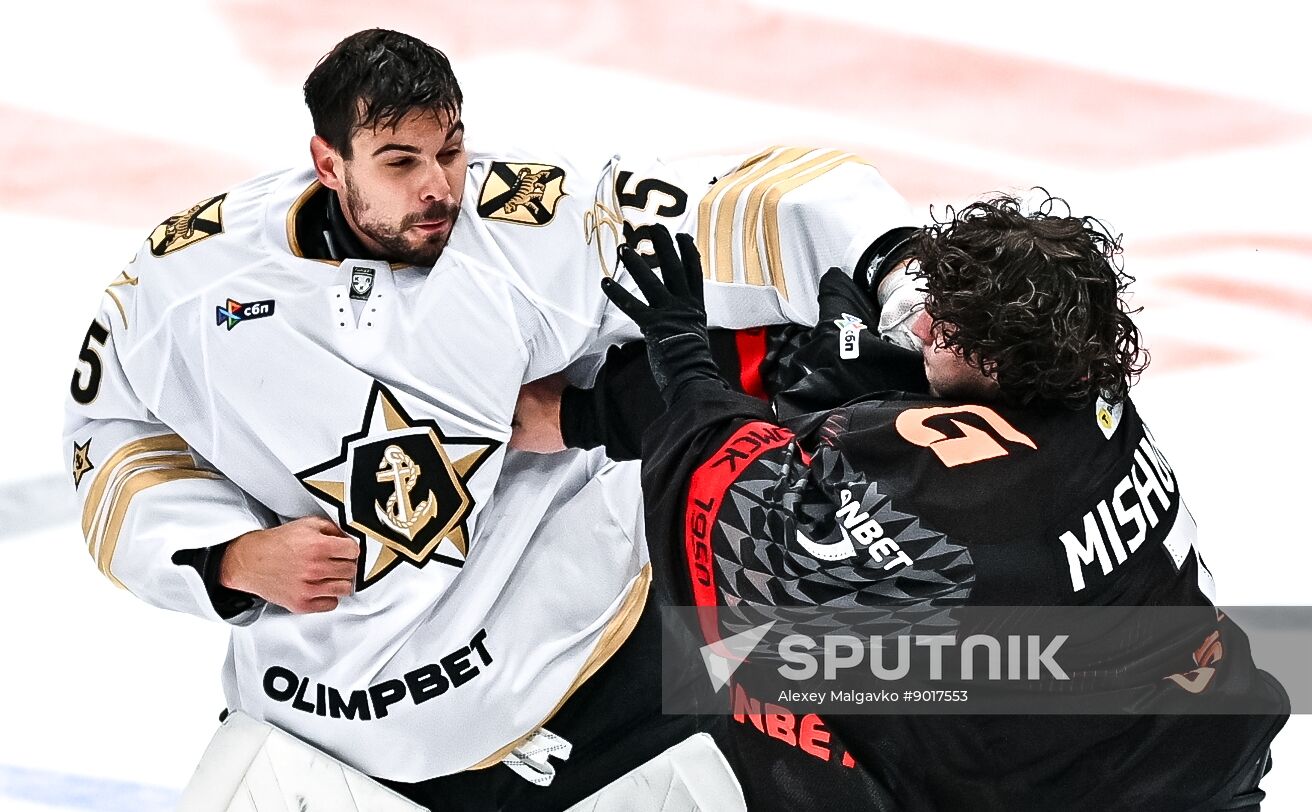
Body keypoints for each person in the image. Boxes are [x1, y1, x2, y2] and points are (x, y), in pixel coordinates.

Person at [62, 27, 922, 808]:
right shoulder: (188, 281)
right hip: (330, 736)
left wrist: (899, 263)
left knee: (964, 690)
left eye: (451, 150)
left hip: (590, 669)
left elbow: (750, 209)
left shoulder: (532, 220)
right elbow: (110, 435)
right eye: (399, 162)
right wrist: (222, 557)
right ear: (328, 163)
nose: (438, 188)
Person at [584, 205, 1289, 810]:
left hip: (1095, 783)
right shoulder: (1094, 394)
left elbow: (746, 517)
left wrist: (680, 354)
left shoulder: (978, 498)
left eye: (947, 329)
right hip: (1210, 745)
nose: (921, 328)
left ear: (1001, 363)